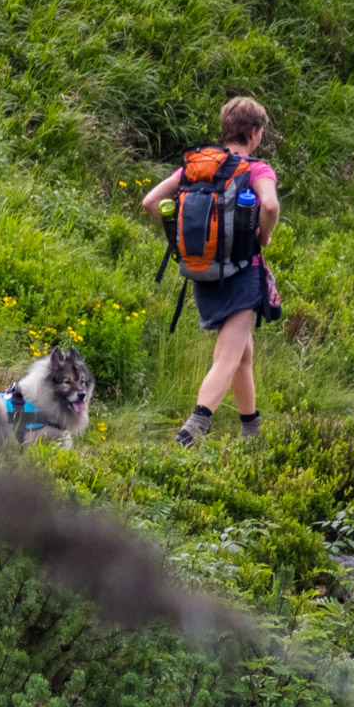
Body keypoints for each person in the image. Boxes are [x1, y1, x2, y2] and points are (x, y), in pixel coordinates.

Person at [141, 96, 281, 447]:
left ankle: (251, 429)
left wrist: (182, 240)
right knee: (229, 356)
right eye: (261, 132)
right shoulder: (256, 169)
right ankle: (194, 427)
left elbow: (150, 202)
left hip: (202, 271)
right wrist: (264, 236)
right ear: (253, 133)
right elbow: (270, 205)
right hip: (242, 272)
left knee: (244, 352)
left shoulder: (198, 166)